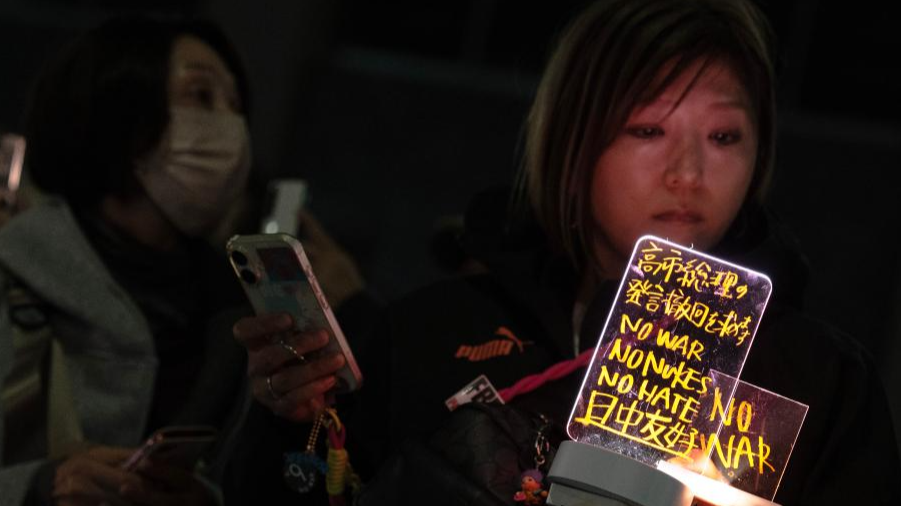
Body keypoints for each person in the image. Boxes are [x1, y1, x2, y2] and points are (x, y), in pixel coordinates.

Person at [233, 0, 901, 504]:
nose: (688, 173)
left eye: (724, 137)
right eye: (647, 128)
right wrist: (288, 425)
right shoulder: (430, 331)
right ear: (572, 141)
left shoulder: (819, 377)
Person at [0, 15, 373, 506]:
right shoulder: (15, 272)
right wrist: (38, 486)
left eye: (236, 106)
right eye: (201, 95)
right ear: (118, 112)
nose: (230, 127)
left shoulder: (238, 314)